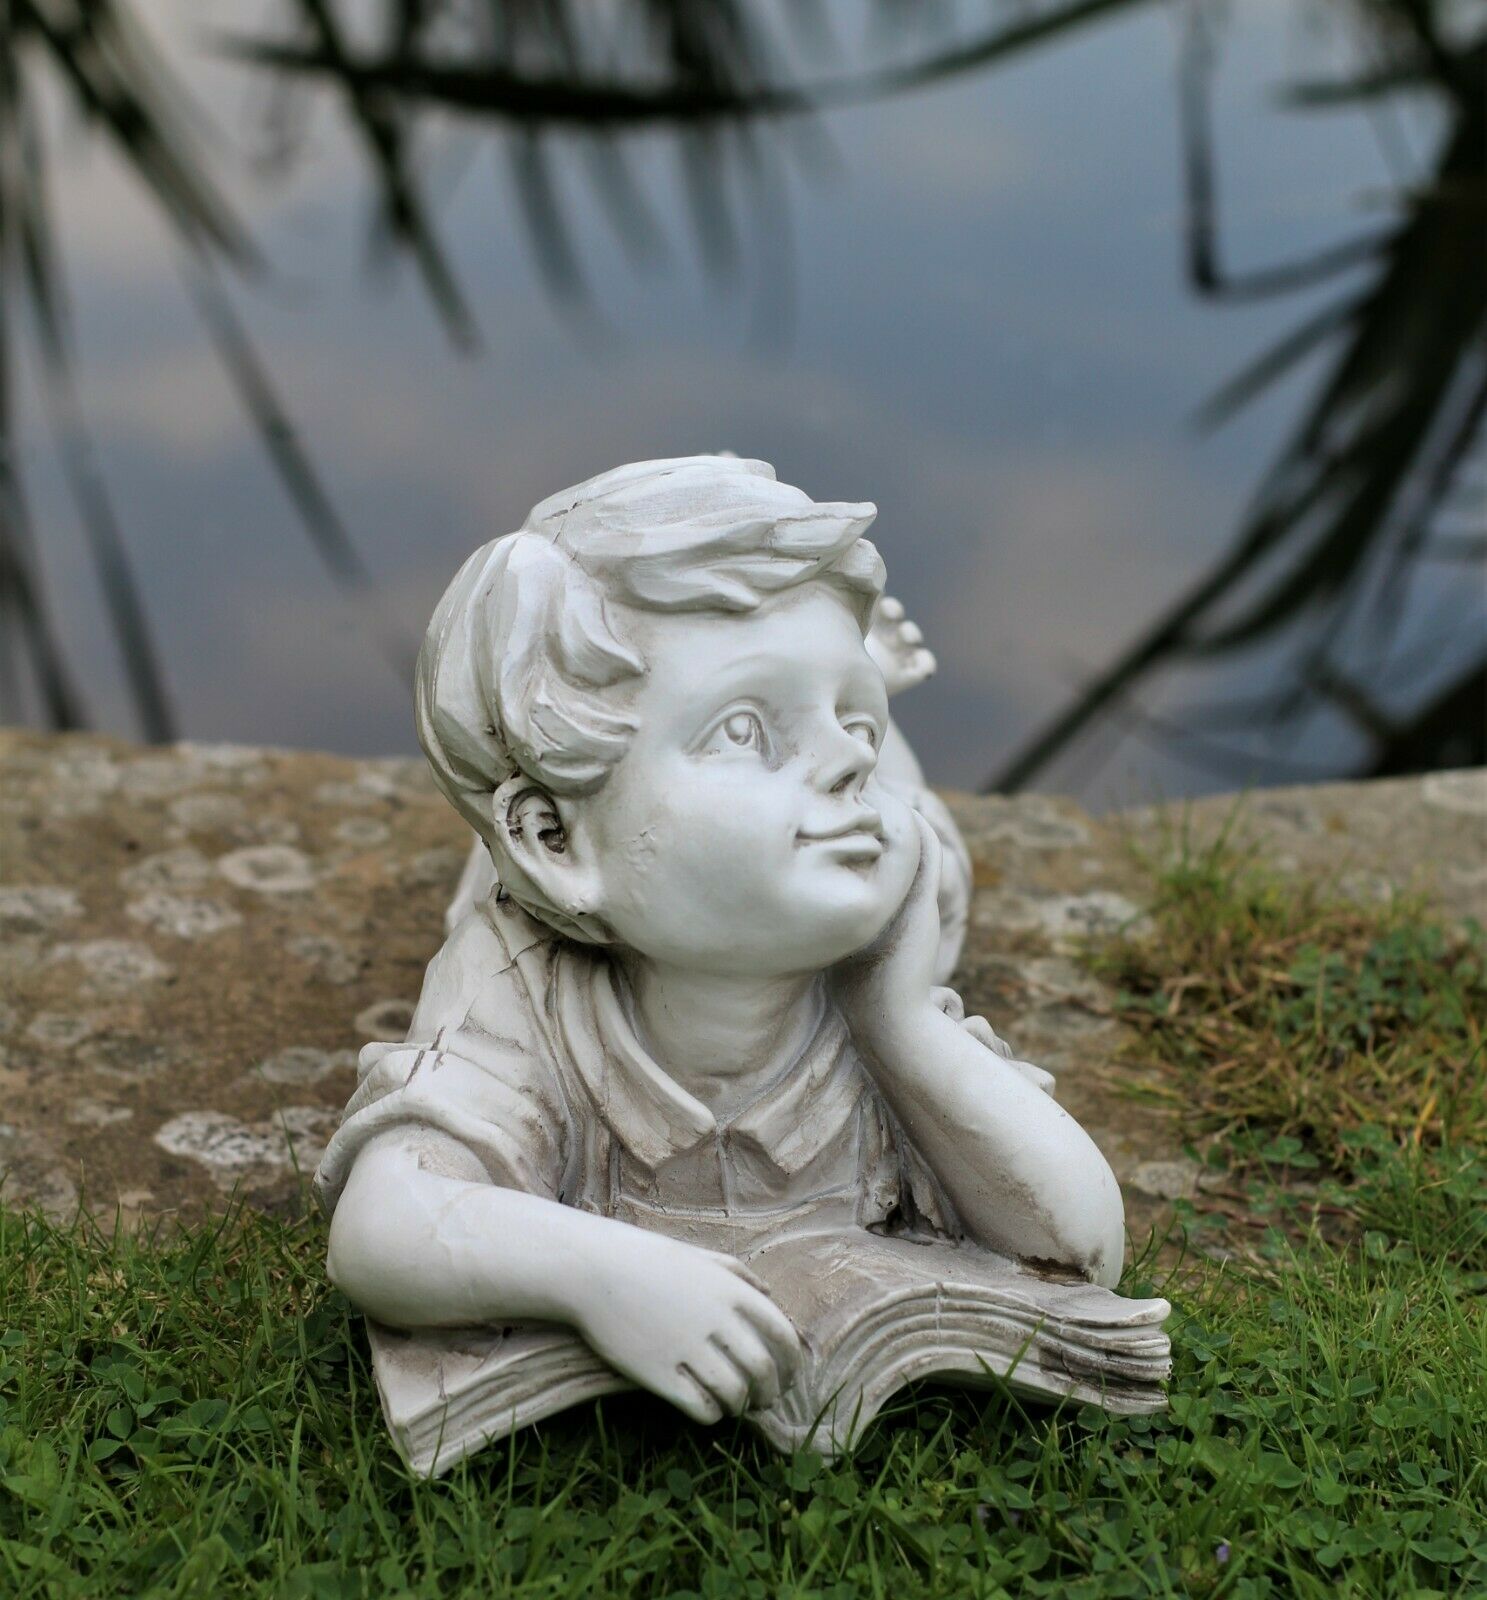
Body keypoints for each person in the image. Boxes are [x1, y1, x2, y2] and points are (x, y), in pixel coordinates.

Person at [315, 455, 1125, 1427]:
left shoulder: (883, 916)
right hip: (600, 873)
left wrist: (901, 1019)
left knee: (907, 826)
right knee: (482, 889)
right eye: (744, 728)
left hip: (859, 864)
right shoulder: (510, 976)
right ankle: (817, 702)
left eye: (850, 718)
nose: (842, 759)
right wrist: (604, 1276)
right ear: (557, 841)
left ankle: (858, 699)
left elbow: (1078, 1247)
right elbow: (380, 1226)